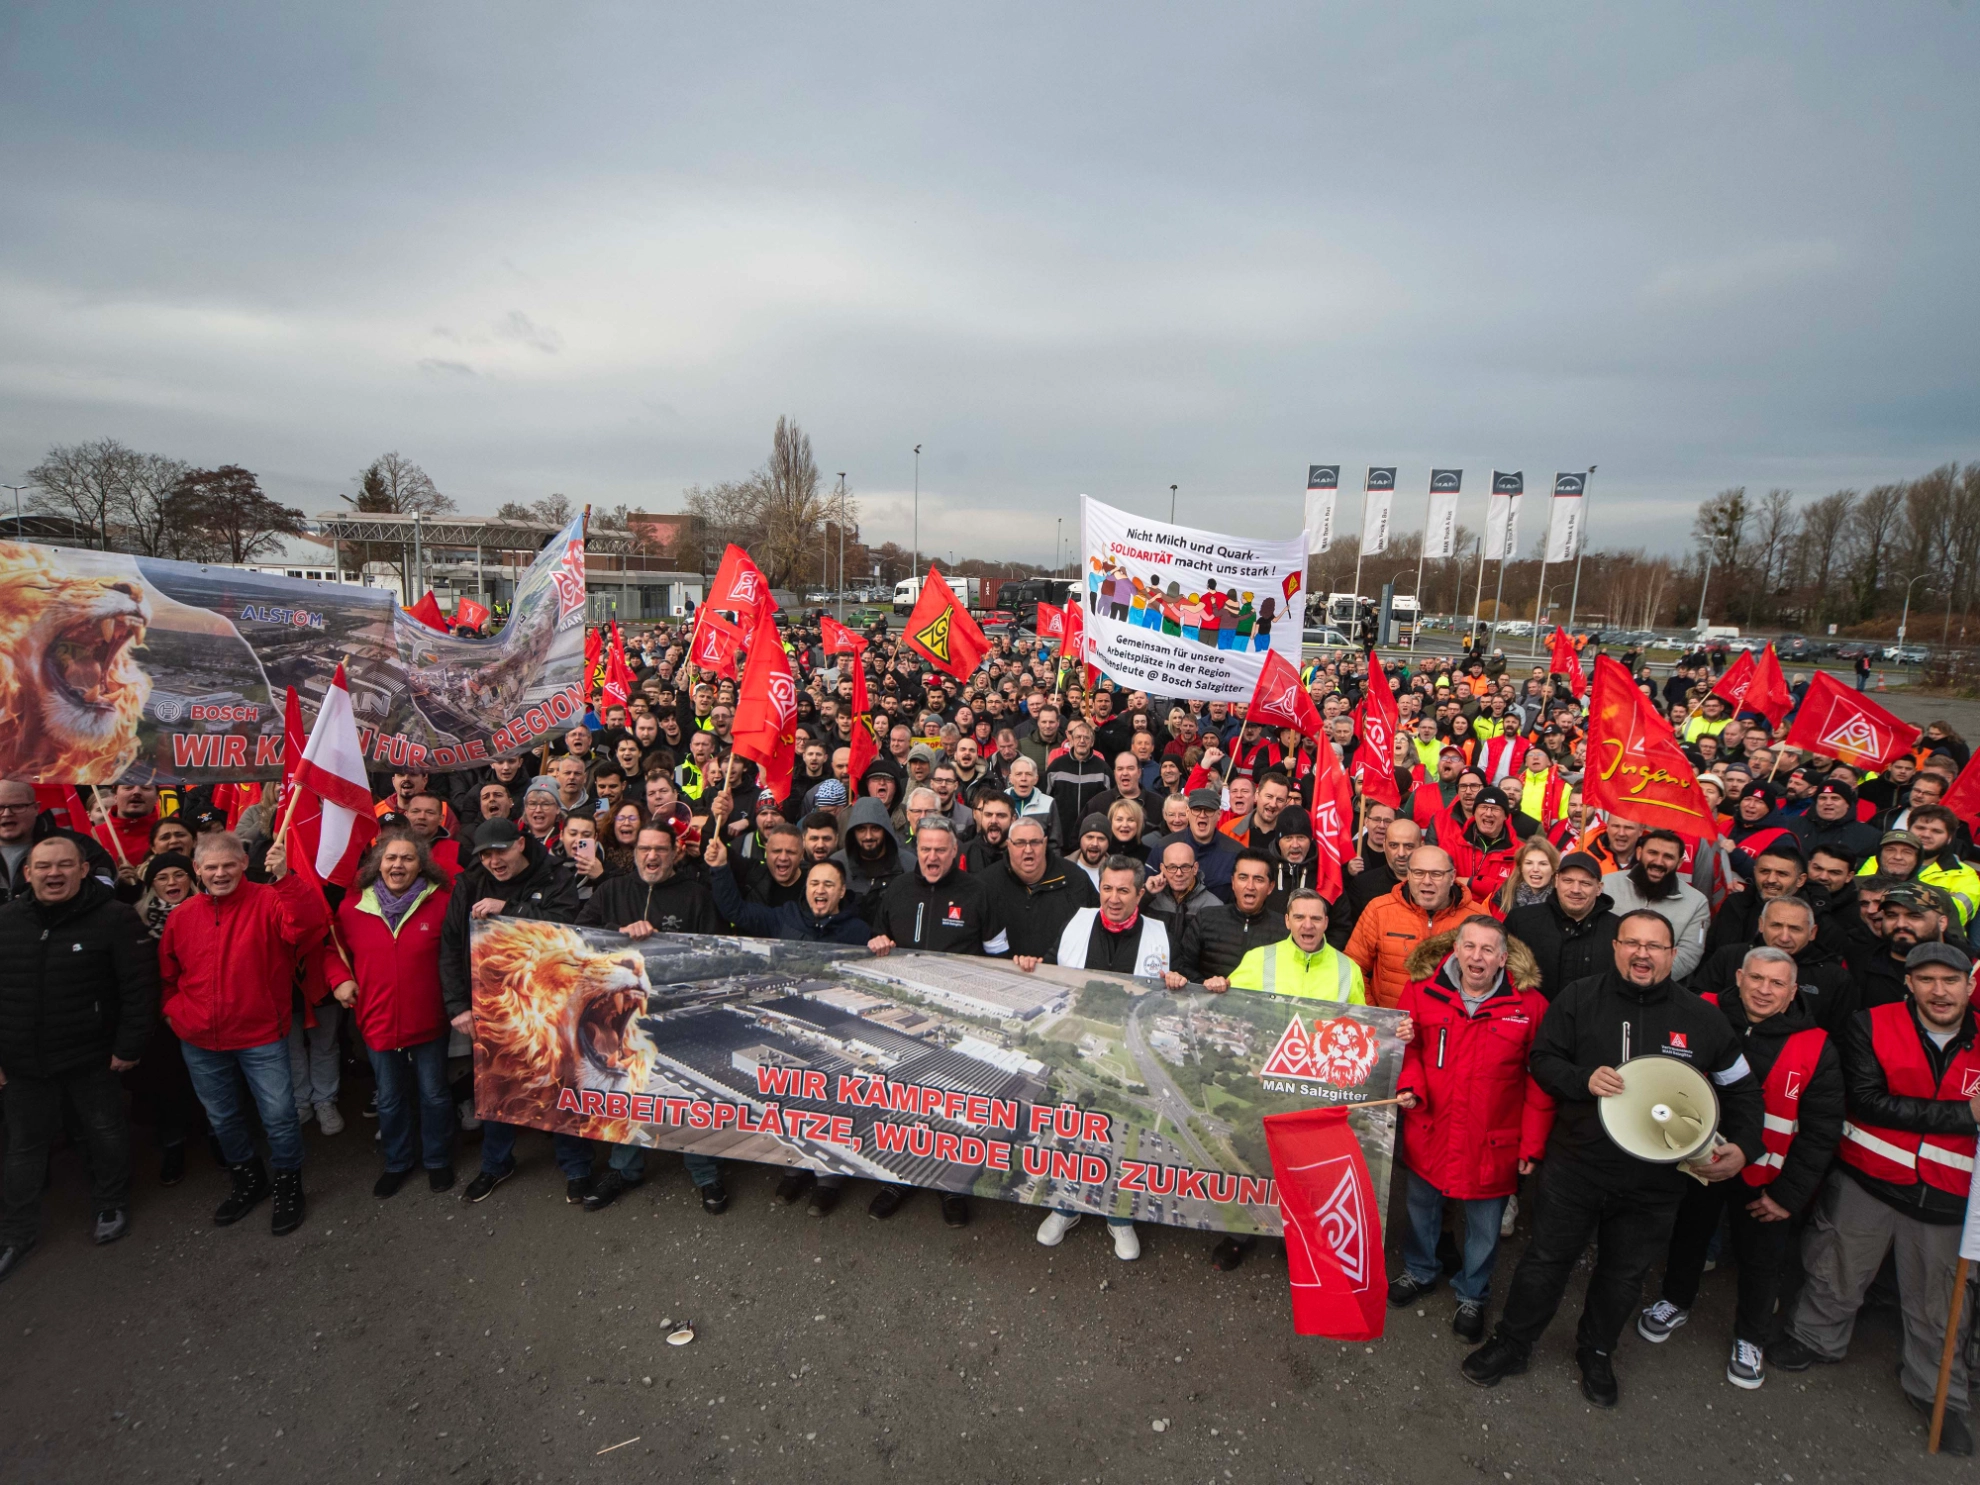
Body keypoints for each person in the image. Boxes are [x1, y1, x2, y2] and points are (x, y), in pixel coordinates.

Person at [1462, 909, 1763, 1407]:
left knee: (1623, 1275)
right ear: (1616, 947)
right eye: (1632, 943)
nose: (1642, 954)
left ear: (1672, 955)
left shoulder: (1704, 1019)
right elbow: (1542, 1060)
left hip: (1656, 1183)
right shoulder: (1579, 998)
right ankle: (1512, 1344)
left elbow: (1743, 1091)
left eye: (1655, 946)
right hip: (1577, 1166)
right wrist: (1582, 1079)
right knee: (1544, 1261)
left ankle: (1597, 1350)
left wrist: (1745, 1148)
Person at [1767, 942, 1980, 1449]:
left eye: (1950, 980)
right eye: (1926, 979)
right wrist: (1964, 1117)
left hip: (1951, 1197)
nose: (1939, 990)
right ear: (1908, 984)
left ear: (1970, 986)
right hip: (1869, 1178)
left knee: (1941, 1299)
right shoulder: (1873, 1024)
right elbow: (1867, 1102)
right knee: (1836, 1266)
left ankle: (1938, 1392)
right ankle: (1816, 1339)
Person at [1635, 945, 1845, 1390]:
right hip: (1697, 1164)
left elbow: (1821, 1131)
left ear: (1792, 993)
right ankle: (1674, 1300)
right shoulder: (1700, 1010)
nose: (1764, 990)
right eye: (1756, 979)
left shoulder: (1816, 1044)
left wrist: (1789, 1195)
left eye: (1776, 984)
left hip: (1766, 1180)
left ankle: (1751, 1337)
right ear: (1738, 977)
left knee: (1761, 1261)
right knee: (1689, 1236)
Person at [0, 836, 156, 1279]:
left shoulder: (115, 919)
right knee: (23, 1149)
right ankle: (16, 1233)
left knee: (105, 1132)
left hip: (93, 1059)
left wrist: (129, 1046)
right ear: (27, 873)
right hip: (24, 1064)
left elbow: (139, 989)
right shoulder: (5, 922)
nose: (54, 873)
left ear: (84, 869)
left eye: (65, 865)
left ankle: (110, 1204)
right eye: (44, 866)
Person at [1390, 916, 1553, 1341]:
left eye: (1487, 950)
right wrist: (1410, 1087)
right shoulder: (1421, 990)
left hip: (1492, 1139)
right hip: (1431, 1127)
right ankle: (1420, 1270)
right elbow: (1407, 1051)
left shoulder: (1530, 1005)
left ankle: (1472, 1293)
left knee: (1484, 1225)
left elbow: (1541, 1079)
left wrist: (1532, 1144)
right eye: (1469, 947)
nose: (1476, 957)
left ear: (1503, 958)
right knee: (1421, 1208)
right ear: (1455, 949)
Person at [158, 831, 329, 1237]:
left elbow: (308, 928)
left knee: (280, 1116)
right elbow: (167, 974)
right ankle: (248, 1181)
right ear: (197, 870)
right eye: (211, 867)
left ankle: (288, 1184)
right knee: (222, 1118)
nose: (220, 874)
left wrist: (286, 879)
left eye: (228, 865)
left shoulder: (270, 899)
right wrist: (172, 1012)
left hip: (260, 1035)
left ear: (243, 864)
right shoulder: (182, 916)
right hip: (199, 1039)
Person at [439, 818, 590, 1206]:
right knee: (497, 1084)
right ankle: (495, 1163)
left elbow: (569, 928)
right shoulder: (469, 882)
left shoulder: (555, 875)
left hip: (550, 1002)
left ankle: (576, 1167)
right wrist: (458, 1006)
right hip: (494, 1004)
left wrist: (511, 910)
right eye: (486, 854)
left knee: (560, 1084)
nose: (494, 861)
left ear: (521, 844)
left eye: (501, 851)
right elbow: (451, 944)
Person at [1030, 858, 1167, 1261]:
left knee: (1121, 1138)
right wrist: (1030, 965)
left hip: (1125, 1051)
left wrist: (1183, 980)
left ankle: (1119, 1217)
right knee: (1070, 1129)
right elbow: (1054, 964)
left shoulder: (1161, 933)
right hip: (1075, 1049)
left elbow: (1181, 986)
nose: (1113, 898)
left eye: (1124, 890)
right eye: (1107, 888)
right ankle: (1065, 1206)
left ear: (1140, 894)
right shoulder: (1078, 921)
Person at [332, 833, 456, 1198]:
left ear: (422, 865)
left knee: (434, 1095)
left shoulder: (443, 903)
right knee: (389, 1098)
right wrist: (339, 979)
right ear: (377, 864)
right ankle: (397, 1162)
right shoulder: (351, 908)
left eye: (407, 858)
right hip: (377, 1020)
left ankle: (437, 1160)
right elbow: (332, 949)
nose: (397, 865)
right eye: (390, 858)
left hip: (429, 1019)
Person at [1345, 845, 1484, 1008]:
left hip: (1449, 1027)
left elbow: (1490, 976)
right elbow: (1353, 968)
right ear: (1408, 875)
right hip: (1390, 1024)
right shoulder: (1379, 910)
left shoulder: (1477, 918)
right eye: (1418, 873)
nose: (1427, 881)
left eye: (1436, 874)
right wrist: (1373, 1013)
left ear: (1452, 876)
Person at [1501, 851, 1618, 1001]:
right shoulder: (1521, 921)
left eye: (1585, 883)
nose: (1576, 890)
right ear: (1556, 881)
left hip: (1593, 1021)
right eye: (1568, 880)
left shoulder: (1618, 930)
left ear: (1599, 888)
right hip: (1534, 1019)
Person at [979, 818, 1098, 962]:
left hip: (1062, 975)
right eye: (1020, 843)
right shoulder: (987, 883)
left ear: (1045, 843)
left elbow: (1096, 927)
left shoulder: (1074, 878)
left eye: (1035, 842)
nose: (1028, 850)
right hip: (1004, 975)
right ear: (1009, 845)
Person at [1600, 828, 1711, 979]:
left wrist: (1647, 979)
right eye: (1652, 853)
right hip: (1605, 980)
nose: (1658, 862)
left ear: (1679, 863)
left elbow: (1690, 955)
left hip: (1661, 990)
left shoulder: (1697, 904)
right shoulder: (1607, 885)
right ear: (1639, 853)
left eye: (1668, 857)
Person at [1168, 851, 1288, 990]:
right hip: (1207, 1006)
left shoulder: (1284, 929)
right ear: (1233, 882)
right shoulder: (1206, 918)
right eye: (1243, 878)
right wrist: (1206, 984)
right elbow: (1182, 966)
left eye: (1258, 879)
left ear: (1270, 887)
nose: (1250, 886)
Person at [1224, 889, 1365, 1002]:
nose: (1308, 925)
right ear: (1287, 921)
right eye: (1299, 917)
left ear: (1326, 923)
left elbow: (1360, 1025)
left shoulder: (1349, 969)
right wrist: (1217, 986)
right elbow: (1230, 1006)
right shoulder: (1257, 959)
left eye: (1316, 918)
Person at [1144, 840, 1218, 924]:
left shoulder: (1213, 906)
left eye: (1185, 867)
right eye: (1172, 867)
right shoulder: (1149, 897)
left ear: (1195, 868)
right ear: (1162, 869)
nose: (1179, 873)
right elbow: (1129, 925)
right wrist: (1146, 894)